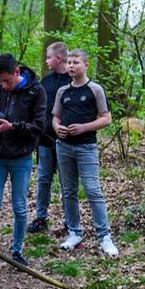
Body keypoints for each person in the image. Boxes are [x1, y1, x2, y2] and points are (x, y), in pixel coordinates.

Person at [0, 53, 47, 278]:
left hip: (22, 157)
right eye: (0, 81)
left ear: (17, 72)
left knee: (19, 206)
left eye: (7, 80)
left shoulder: (36, 91)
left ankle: (17, 251)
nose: (3, 85)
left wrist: (12, 126)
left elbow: (39, 127)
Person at [52, 49, 117, 257]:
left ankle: (104, 237)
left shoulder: (95, 89)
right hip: (64, 147)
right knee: (69, 191)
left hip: (86, 147)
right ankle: (74, 232)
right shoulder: (63, 91)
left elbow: (106, 118)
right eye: (69, 62)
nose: (71, 66)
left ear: (86, 65)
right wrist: (57, 128)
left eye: (76, 62)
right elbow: (55, 117)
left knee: (92, 190)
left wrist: (84, 127)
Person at [29, 41, 70, 234]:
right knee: (44, 179)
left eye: (48, 57)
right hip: (45, 139)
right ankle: (40, 218)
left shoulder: (73, 81)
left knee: (66, 182)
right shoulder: (45, 81)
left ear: (59, 58)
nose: (46, 61)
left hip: (66, 141)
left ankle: (70, 221)